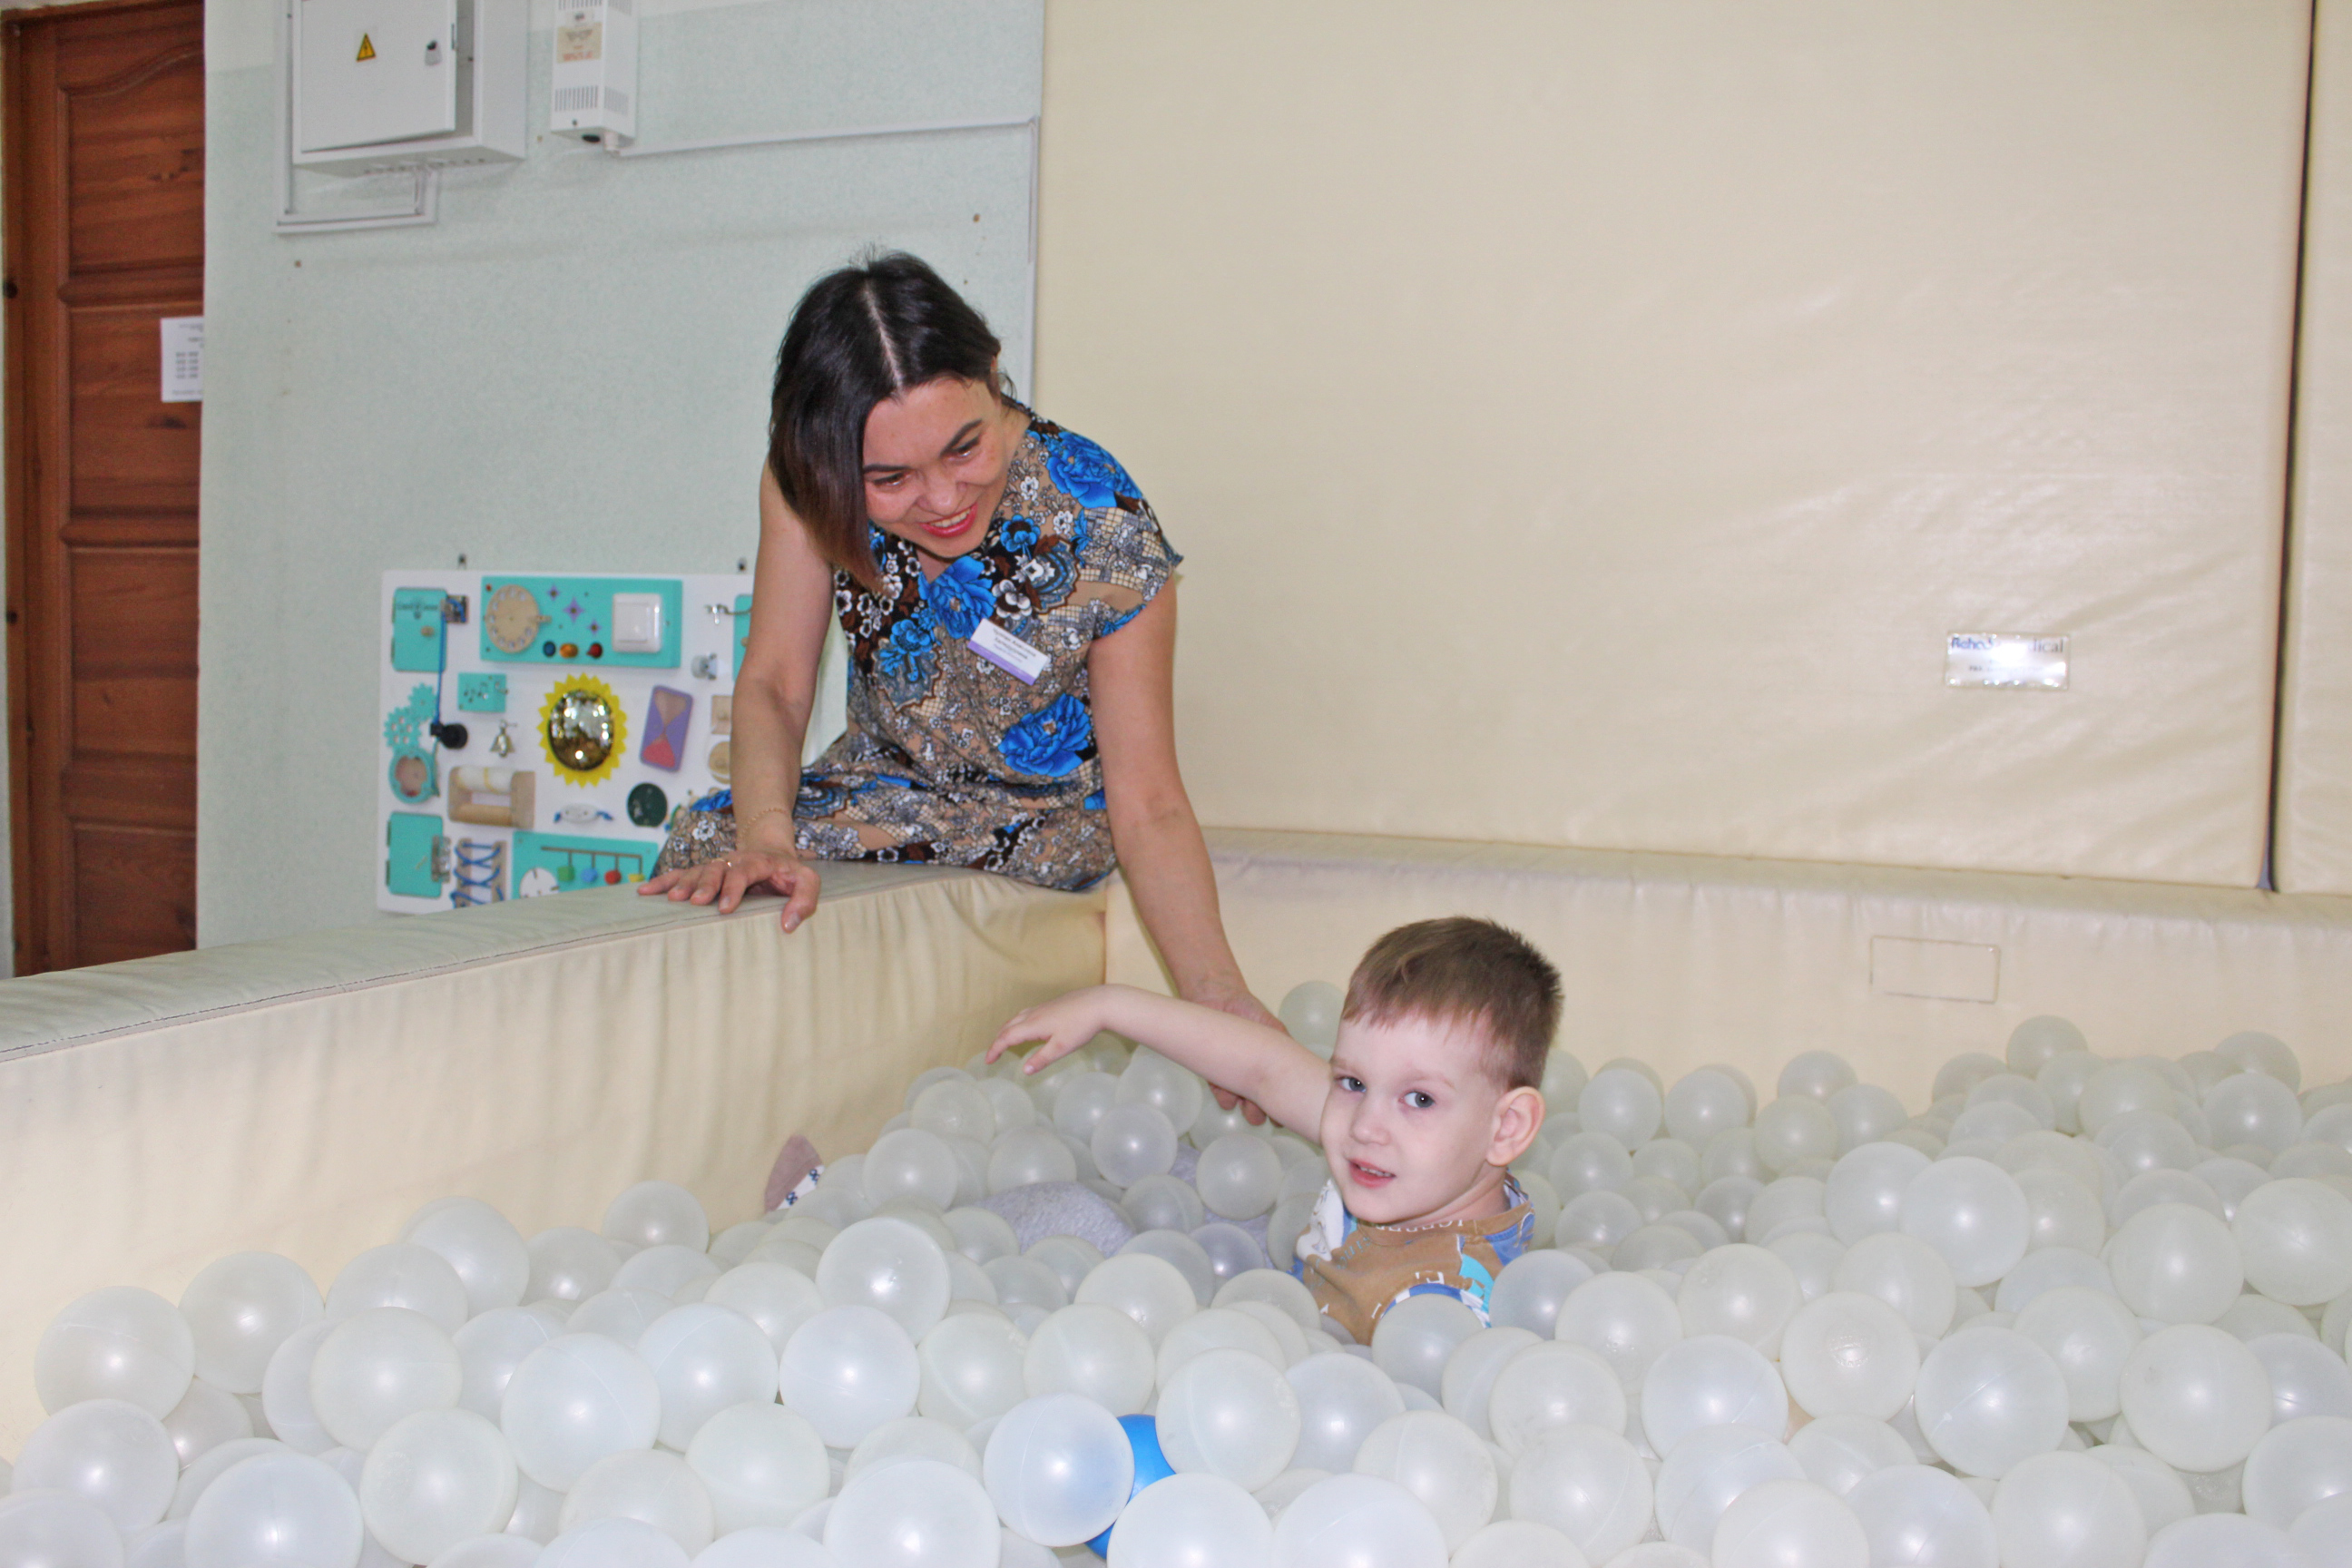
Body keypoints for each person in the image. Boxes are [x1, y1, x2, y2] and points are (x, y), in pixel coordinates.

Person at [642, 252, 1276, 1069]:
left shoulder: (1103, 525)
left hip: (1045, 815)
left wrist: (1216, 994)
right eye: (890, 479)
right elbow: (775, 683)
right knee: (711, 841)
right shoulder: (808, 483)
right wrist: (769, 837)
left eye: (965, 449)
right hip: (887, 783)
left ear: (993, 374)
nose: (942, 500)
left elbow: (1148, 802)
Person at [990, 916, 1558, 1343]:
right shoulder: (1415, 1161)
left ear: (1505, 1129)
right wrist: (1109, 1006)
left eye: (1420, 1099)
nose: (1365, 1126)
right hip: (1272, 1299)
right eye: (1353, 1081)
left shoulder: (1451, 1311)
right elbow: (1265, 1067)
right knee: (1147, 1186)